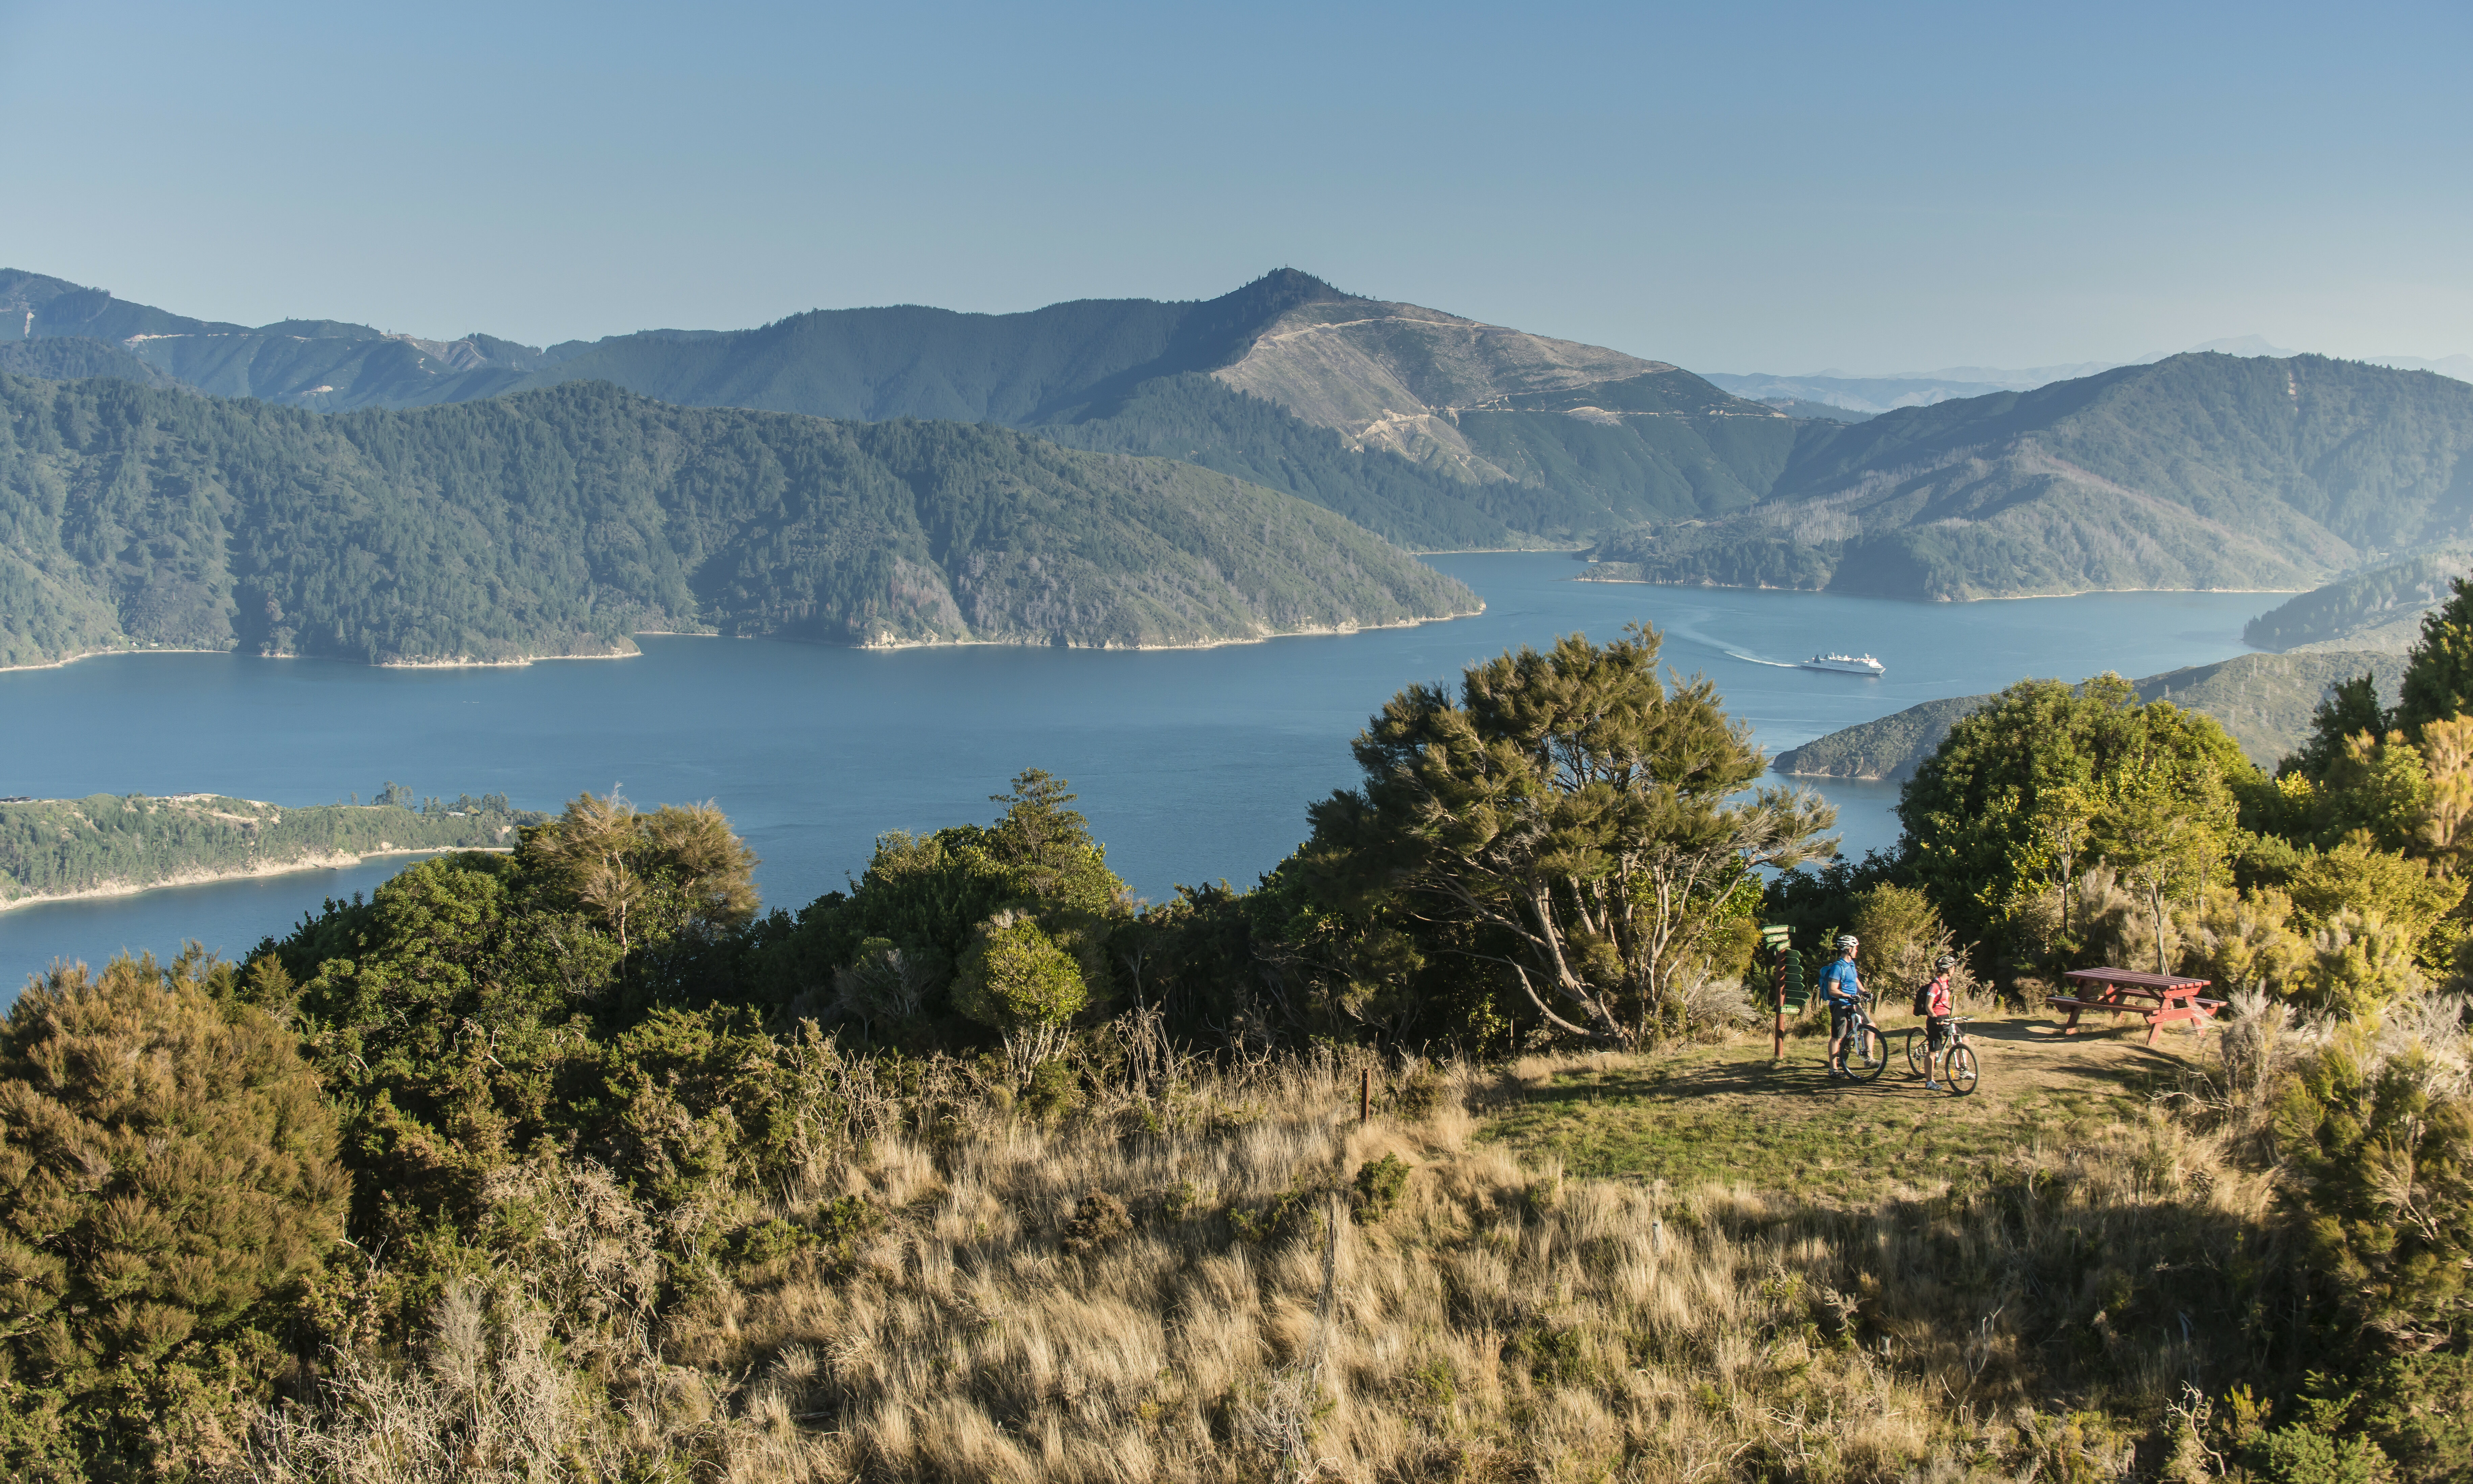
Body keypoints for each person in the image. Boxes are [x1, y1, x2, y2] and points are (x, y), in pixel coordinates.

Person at [1820, 934, 1862, 1078]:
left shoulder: (1851, 964)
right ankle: (1833, 1070)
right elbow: (1833, 989)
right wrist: (1849, 996)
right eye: (1855, 948)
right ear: (1849, 949)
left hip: (1853, 1003)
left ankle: (1868, 1058)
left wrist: (1865, 992)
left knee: (1870, 1026)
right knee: (1838, 1037)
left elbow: (1856, 981)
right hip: (1840, 1005)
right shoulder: (1838, 967)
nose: (1857, 950)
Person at [1921, 954, 1956, 1091]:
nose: (1954, 970)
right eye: (1953, 968)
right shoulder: (1935, 986)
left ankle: (1963, 1069)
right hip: (1936, 1020)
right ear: (1948, 969)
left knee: (1963, 1039)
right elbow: (1928, 1006)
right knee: (1933, 1051)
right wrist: (1935, 1017)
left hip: (1947, 1019)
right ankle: (1930, 1082)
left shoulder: (1946, 983)